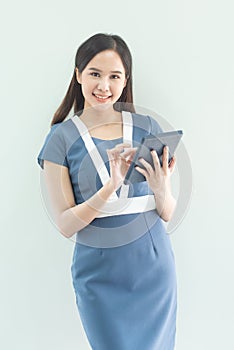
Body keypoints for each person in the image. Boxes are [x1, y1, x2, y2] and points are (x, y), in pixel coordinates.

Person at [37, 33, 177, 350]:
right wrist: (109, 189)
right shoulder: (60, 138)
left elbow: (167, 211)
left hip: (154, 272)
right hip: (100, 277)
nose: (104, 86)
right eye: (95, 74)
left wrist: (160, 188)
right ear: (78, 75)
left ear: (126, 80)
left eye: (114, 76)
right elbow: (65, 224)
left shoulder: (148, 128)